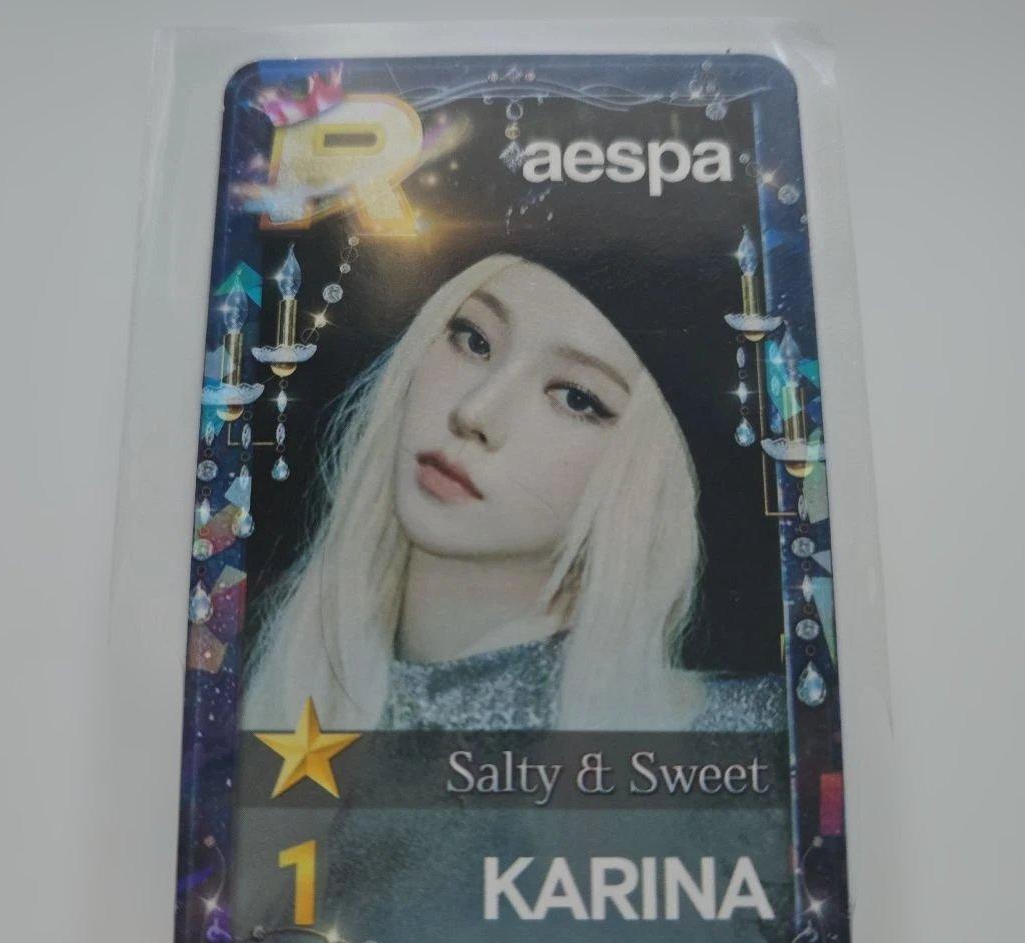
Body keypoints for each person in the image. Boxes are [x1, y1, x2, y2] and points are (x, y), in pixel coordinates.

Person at [242, 253, 784, 735]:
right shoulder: (243, 679)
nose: (475, 412)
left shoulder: (737, 734)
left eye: (576, 398)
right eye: (474, 341)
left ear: (655, 481)